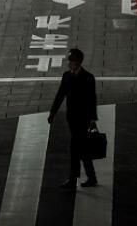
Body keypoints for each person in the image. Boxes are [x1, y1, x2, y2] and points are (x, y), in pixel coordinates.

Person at [48, 48, 98, 189]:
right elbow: (60, 95)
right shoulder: (67, 77)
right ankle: (90, 177)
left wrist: (93, 119)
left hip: (83, 120)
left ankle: (73, 179)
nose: (69, 63)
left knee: (76, 148)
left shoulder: (88, 78)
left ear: (78, 62)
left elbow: (91, 100)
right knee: (81, 149)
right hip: (71, 118)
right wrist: (53, 113)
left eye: (71, 61)